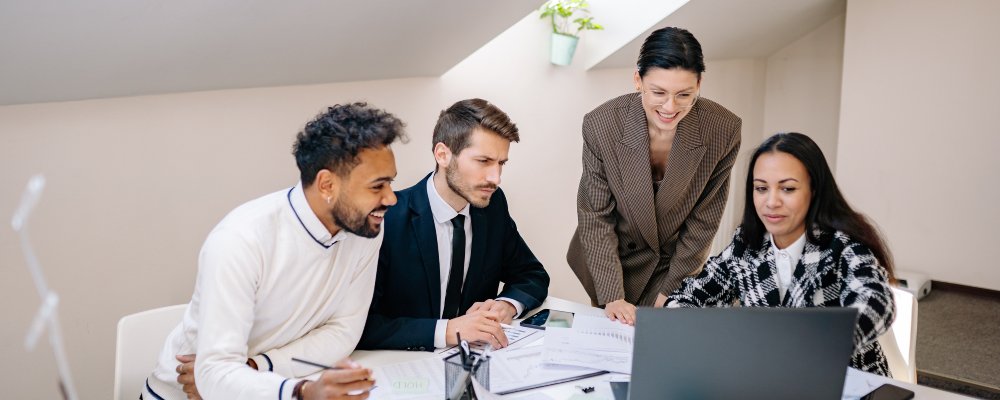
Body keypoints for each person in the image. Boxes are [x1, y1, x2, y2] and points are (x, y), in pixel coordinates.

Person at [143, 103, 405, 399]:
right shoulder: (241, 239)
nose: (392, 198)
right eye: (377, 186)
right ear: (327, 184)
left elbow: (343, 331)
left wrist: (256, 367)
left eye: (391, 182)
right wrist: (302, 392)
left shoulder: (366, 229)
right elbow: (213, 372)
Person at [666, 132, 896, 376]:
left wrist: (824, 343)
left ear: (814, 190)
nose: (771, 202)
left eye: (787, 189)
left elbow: (876, 301)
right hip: (772, 382)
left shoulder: (843, 244)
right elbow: (690, 296)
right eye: (761, 188)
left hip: (846, 383)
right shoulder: (746, 244)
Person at [567, 26, 742, 324]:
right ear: (638, 80)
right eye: (658, 92)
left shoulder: (723, 130)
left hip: (671, 263)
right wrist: (612, 295)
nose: (670, 107)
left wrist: (672, 292)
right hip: (611, 259)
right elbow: (596, 216)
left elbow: (705, 220)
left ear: (699, 84)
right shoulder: (601, 125)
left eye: (684, 94)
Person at [357, 98, 549, 351]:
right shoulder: (386, 219)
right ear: (443, 154)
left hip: (479, 361)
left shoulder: (492, 204)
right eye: (483, 161)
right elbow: (363, 325)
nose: (496, 178)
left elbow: (531, 275)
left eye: (501, 163)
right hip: (404, 366)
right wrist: (447, 331)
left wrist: (507, 304)